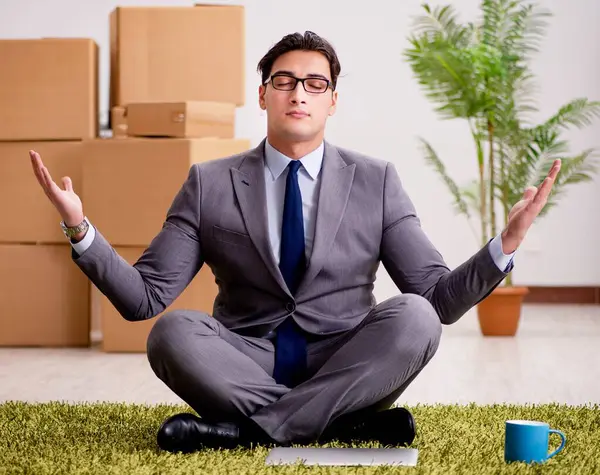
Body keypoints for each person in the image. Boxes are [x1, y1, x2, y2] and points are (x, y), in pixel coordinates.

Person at [30, 31, 561, 453]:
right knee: (172, 333)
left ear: (333, 101)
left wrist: (505, 243)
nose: (298, 93)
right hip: (246, 359)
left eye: (314, 83)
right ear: (263, 95)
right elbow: (143, 299)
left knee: (415, 318)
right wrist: (81, 231)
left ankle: (247, 433)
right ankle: (338, 429)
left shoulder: (376, 180)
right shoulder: (209, 182)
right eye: (284, 81)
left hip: (345, 359)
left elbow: (437, 300)